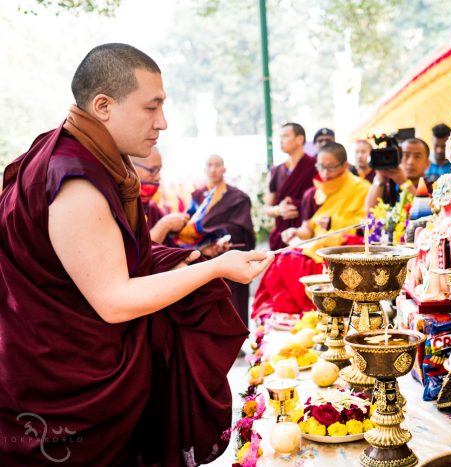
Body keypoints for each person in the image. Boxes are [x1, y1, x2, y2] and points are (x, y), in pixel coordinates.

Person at [0, 43, 273, 466]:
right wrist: (216, 268)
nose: (162, 122)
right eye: (152, 107)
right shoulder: (75, 178)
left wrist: (175, 258)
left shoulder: (80, 155)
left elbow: (105, 258)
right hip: (63, 386)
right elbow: (113, 301)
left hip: (57, 358)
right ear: (103, 105)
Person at [252, 142, 369, 320]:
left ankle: (311, 312)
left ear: (345, 165)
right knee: (282, 260)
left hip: (343, 248)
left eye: (330, 167)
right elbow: (307, 229)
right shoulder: (313, 193)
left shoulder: (362, 189)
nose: (324, 173)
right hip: (315, 245)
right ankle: (287, 315)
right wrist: (295, 232)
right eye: (320, 167)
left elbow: (367, 225)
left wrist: (334, 221)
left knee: (291, 263)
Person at [175, 154, 256, 321]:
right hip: (203, 258)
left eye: (217, 165)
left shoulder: (237, 197)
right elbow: (190, 222)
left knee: (233, 308)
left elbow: (243, 228)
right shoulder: (197, 195)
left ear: (224, 169)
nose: (213, 169)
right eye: (209, 165)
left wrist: (219, 237)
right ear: (204, 169)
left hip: (228, 255)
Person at [264, 122, 317, 251]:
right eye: (280, 137)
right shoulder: (276, 171)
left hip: (307, 233)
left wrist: (300, 205)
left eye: (285, 136)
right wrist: (279, 210)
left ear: (300, 139)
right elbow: (266, 208)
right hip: (281, 234)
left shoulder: (315, 166)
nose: (281, 141)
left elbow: (323, 201)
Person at [131, 146, 189, 243]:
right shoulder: (116, 207)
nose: (158, 177)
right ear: (129, 166)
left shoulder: (152, 208)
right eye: (153, 170)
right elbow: (134, 254)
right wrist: (165, 224)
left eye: (159, 170)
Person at [365, 137, 432, 210]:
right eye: (406, 155)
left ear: (427, 163)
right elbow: (369, 212)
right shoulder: (389, 184)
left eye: (417, 157)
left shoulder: (432, 187)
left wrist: (404, 183)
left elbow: (426, 210)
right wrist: (380, 178)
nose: (410, 162)